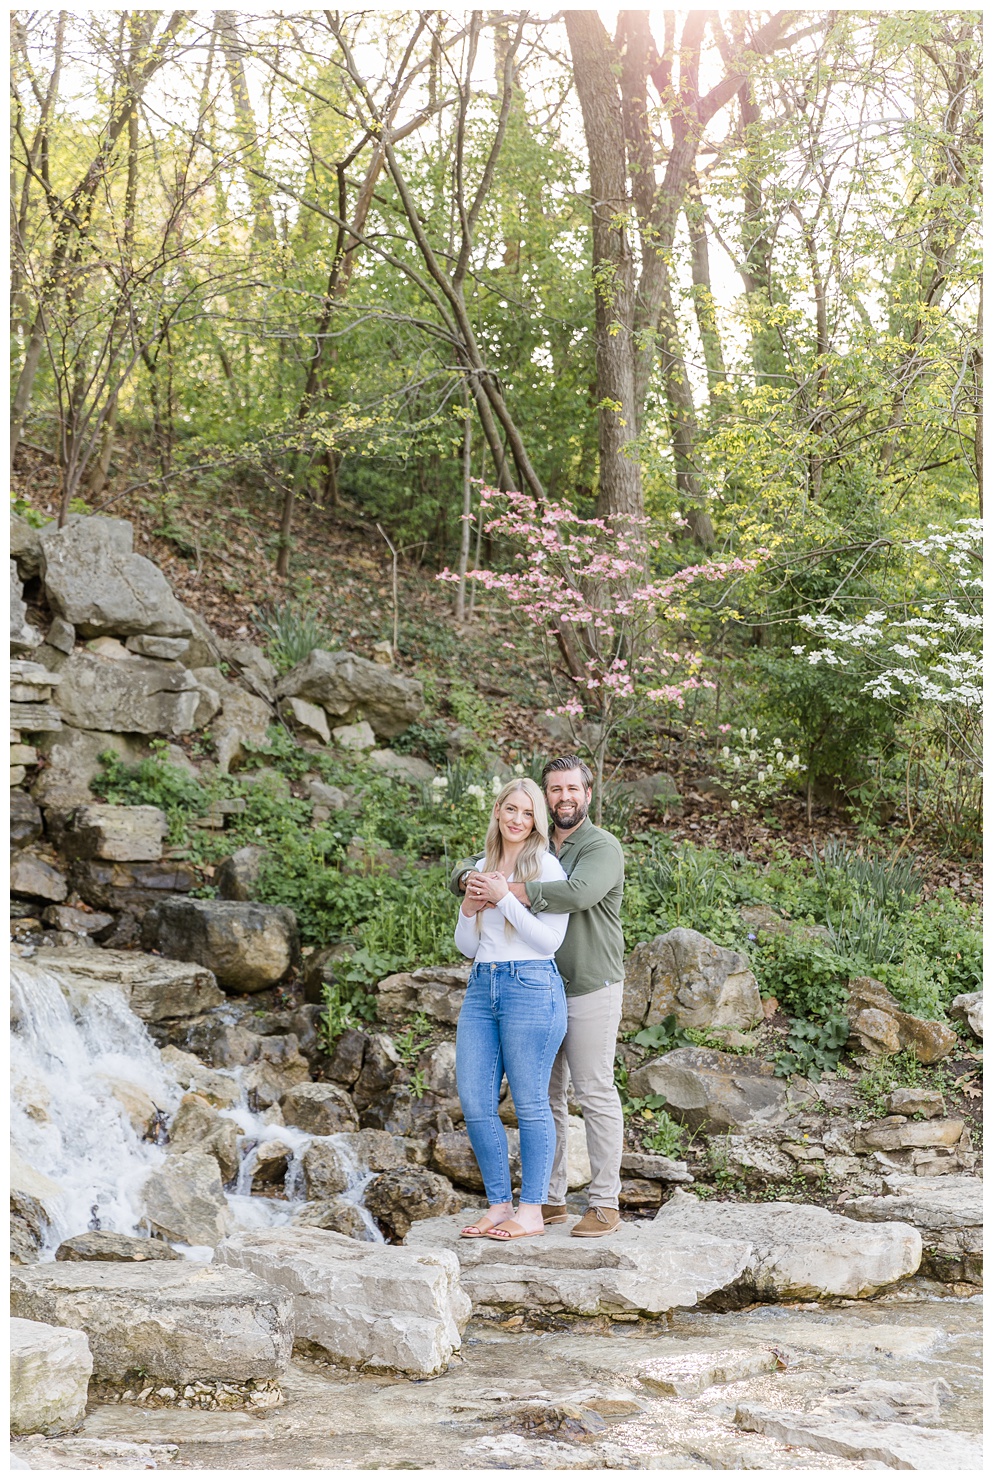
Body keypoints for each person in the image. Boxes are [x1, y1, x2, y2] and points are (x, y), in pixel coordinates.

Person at [453, 756, 626, 1238]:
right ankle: (546, 1201)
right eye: (555, 789)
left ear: (588, 794)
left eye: (573, 788)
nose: (564, 796)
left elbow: (573, 894)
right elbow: (472, 871)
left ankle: (605, 1202)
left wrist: (500, 890)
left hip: (587, 983)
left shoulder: (600, 848)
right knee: (544, 1098)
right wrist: (469, 885)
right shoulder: (534, 843)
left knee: (592, 1090)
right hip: (525, 987)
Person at [453, 777, 570, 1241]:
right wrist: (468, 906)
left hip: (532, 985)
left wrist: (506, 899)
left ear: (536, 820)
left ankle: (533, 1211)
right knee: (476, 1102)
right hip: (482, 986)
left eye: (527, 813)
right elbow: (468, 946)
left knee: (530, 1104)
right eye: (511, 810)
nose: (518, 820)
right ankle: (500, 1204)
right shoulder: (480, 865)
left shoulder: (546, 867)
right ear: (498, 812)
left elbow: (549, 941)